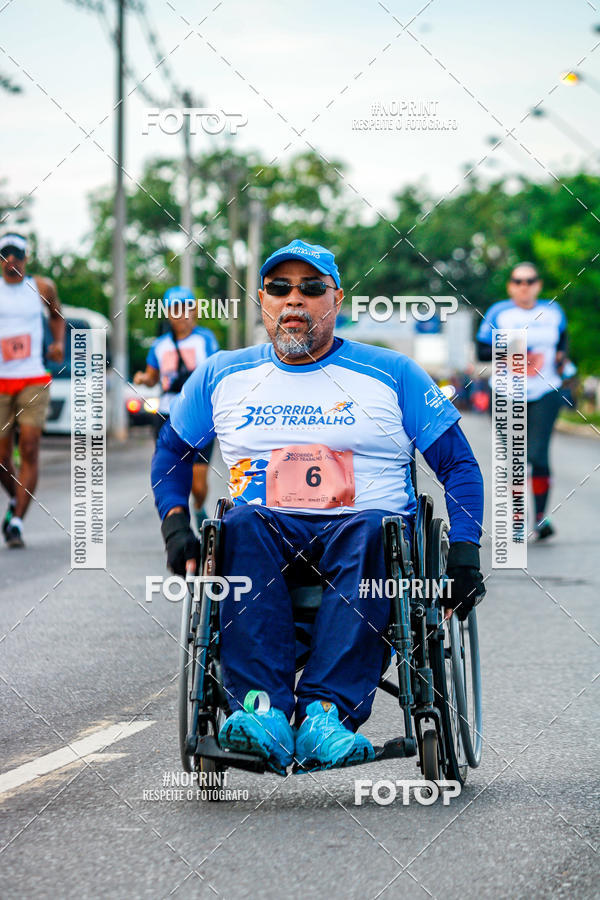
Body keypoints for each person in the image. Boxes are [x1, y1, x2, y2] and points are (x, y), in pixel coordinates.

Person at [152, 239, 485, 775]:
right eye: (279, 289)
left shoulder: (392, 373)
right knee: (237, 524)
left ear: (336, 299)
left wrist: (465, 552)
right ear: (262, 299)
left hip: (366, 531)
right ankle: (261, 710)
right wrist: (175, 526)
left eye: (311, 289)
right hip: (263, 529)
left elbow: (459, 466)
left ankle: (325, 713)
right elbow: (172, 453)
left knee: (376, 532)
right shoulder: (221, 374)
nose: (294, 301)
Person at [476, 261, 568, 540]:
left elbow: (563, 340)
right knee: (514, 457)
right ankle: (516, 520)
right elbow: (481, 351)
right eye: (518, 281)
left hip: (546, 390)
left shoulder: (553, 311)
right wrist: (517, 353)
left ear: (538, 285)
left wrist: (561, 357)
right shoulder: (499, 313)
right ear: (510, 286)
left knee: (538, 454)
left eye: (530, 281)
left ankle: (539, 518)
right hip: (506, 391)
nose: (524, 286)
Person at [134, 286, 219, 530]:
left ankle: (199, 506)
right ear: (168, 314)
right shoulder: (159, 345)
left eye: (186, 308)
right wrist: (142, 378)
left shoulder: (205, 339)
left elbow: (213, 372)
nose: (181, 314)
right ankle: (179, 528)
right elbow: (152, 377)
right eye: (175, 309)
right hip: (167, 416)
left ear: (195, 312)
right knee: (173, 474)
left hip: (199, 415)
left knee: (198, 484)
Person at [0, 233, 65, 548]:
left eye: (17, 254)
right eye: (4, 254)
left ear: (26, 258)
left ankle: (16, 523)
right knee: (1, 458)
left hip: (33, 378)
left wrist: (58, 343)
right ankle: (18, 500)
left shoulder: (41, 288)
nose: (11, 260)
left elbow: (57, 317)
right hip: (0, 380)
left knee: (28, 447)